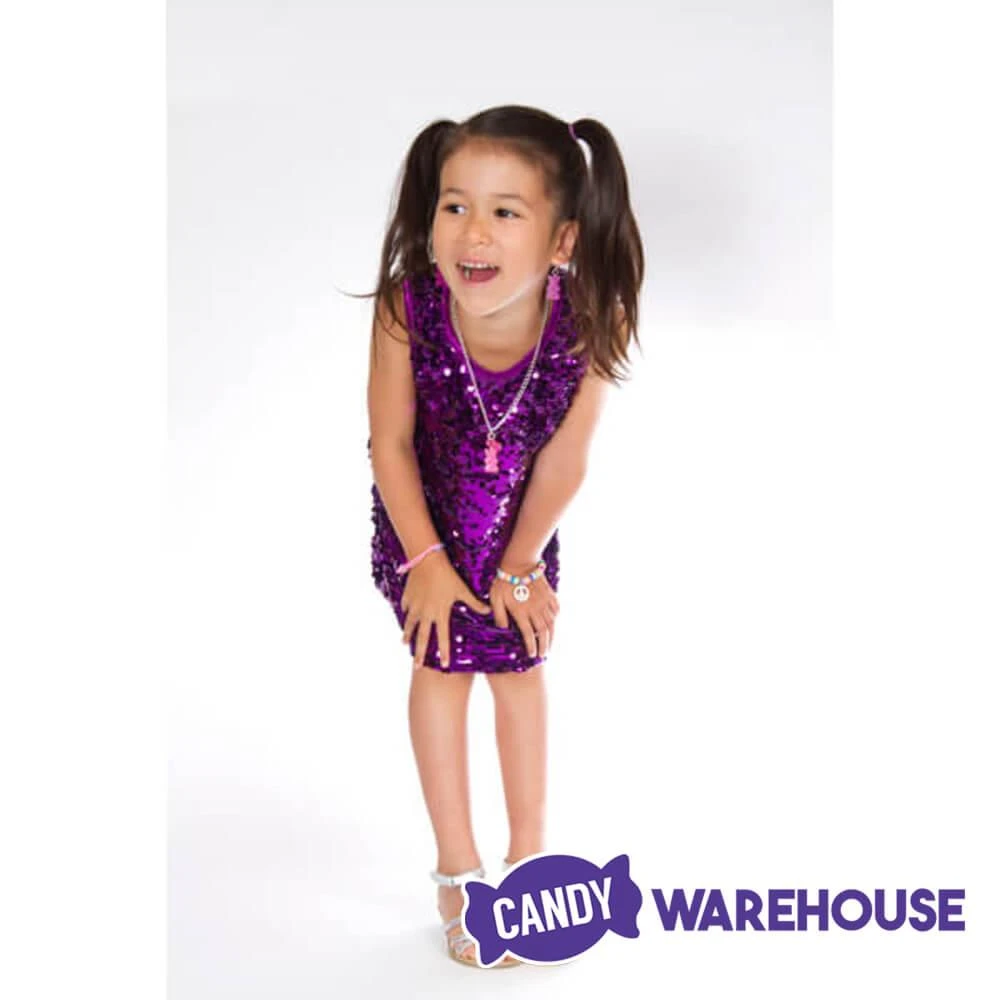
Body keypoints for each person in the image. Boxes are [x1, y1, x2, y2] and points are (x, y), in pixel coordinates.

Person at [364, 105, 644, 967]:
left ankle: (529, 864)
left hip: (522, 529)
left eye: (504, 212)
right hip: (422, 523)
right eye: (455, 206)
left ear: (562, 241)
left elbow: (566, 459)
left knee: (520, 671)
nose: (472, 232)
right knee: (441, 665)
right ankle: (457, 870)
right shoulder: (409, 306)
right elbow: (390, 443)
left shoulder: (589, 317)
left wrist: (521, 563)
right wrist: (426, 561)